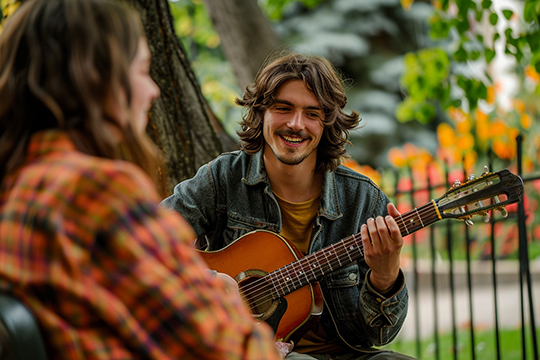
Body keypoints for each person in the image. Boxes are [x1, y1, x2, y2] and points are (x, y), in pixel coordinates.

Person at [0, 0, 284, 359]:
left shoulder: (18, 185)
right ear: (95, 78)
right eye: (142, 70)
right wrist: (231, 303)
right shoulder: (95, 190)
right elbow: (224, 349)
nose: (154, 91)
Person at [161, 52, 416, 359]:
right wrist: (211, 281)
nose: (296, 124)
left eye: (312, 113)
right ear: (262, 113)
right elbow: (145, 240)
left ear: (326, 123)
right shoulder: (223, 178)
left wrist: (386, 277)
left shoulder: (363, 200)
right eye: (283, 108)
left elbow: (376, 336)